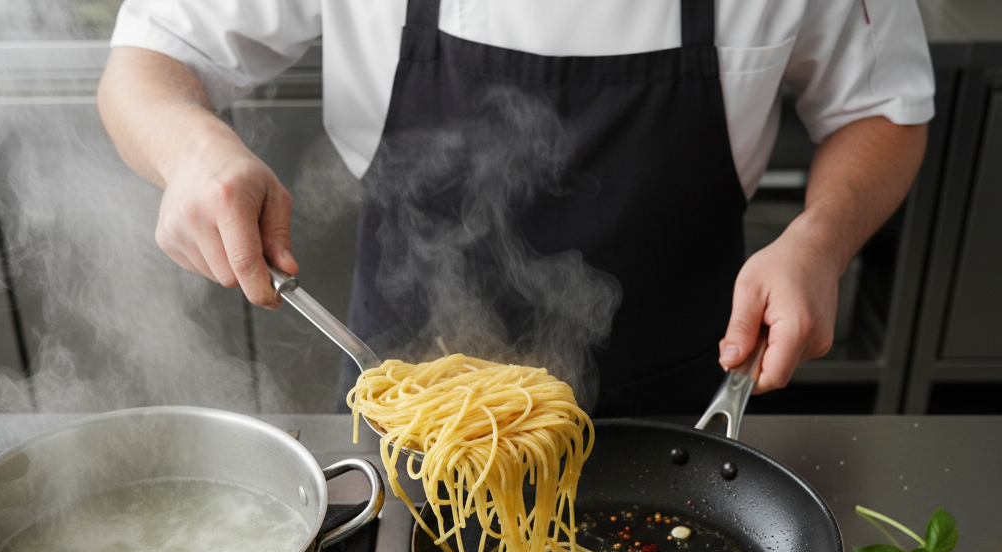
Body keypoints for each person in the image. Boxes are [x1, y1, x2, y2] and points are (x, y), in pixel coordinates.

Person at [97, 0, 932, 415]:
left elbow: (883, 107)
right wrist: (192, 152)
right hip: (417, 403)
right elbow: (151, 59)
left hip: (686, 393)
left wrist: (820, 241)